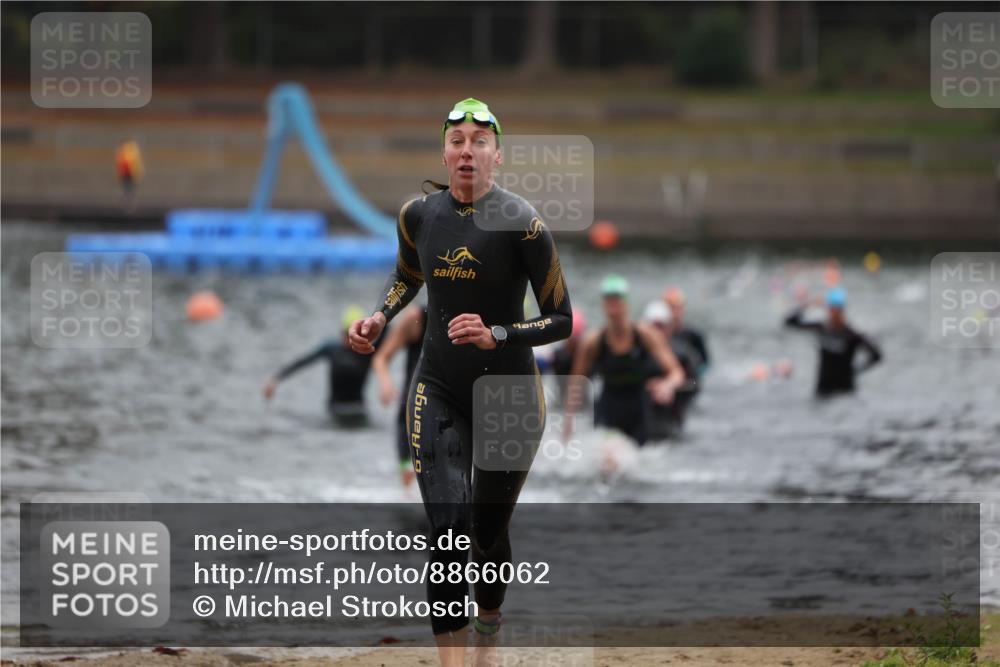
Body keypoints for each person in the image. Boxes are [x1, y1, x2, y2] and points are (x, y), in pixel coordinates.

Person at [347, 98, 572, 667]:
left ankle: (488, 629)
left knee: (487, 535)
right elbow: (407, 274)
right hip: (439, 385)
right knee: (447, 533)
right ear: (444, 154)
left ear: (497, 155)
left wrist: (499, 333)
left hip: (509, 395)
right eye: (457, 141)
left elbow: (561, 319)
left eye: (479, 141)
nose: (467, 151)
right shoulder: (418, 216)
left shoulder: (524, 224)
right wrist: (380, 316)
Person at [564, 275, 685, 446]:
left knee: (638, 456)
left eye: (617, 299)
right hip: (608, 410)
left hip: (638, 410)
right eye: (609, 300)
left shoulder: (646, 335)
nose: (613, 305)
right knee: (610, 455)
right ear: (603, 304)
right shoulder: (593, 342)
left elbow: (676, 372)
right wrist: (568, 423)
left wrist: (668, 385)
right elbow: (576, 383)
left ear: (626, 302)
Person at [263, 305, 376, 427]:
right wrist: (276, 379)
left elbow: (385, 346)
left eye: (357, 335)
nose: (350, 339)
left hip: (359, 411)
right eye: (347, 334)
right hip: (335, 411)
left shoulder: (368, 351)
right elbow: (303, 361)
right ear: (342, 331)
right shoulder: (332, 348)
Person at [784, 286, 882, 397]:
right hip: (823, 390)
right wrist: (807, 304)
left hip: (845, 391)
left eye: (837, 309)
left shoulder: (852, 334)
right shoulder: (821, 328)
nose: (834, 312)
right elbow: (789, 323)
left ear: (842, 310)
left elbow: (876, 355)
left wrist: (856, 370)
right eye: (832, 308)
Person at [371, 304, 427, 491]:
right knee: (410, 488)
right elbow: (381, 358)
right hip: (411, 413)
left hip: (452, 412)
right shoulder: (417, 317)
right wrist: (385, 382)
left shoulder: (475, 318)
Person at [641, 300, 699, 439]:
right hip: (642, 420)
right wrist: (647, 387)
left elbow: (694, 384)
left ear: (669, 328)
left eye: (661, 326)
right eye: (653, 326)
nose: (657, 332)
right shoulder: (636, 353)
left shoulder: (682, 354)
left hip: (672, 418)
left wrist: (671, 388)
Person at [664, 287, 709, 379]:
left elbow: (706, 363)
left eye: (677, 307)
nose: (674, 312)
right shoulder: (656, 335)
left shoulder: (694, 335)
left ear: (683, 308)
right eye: (670, 307)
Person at [115, 139, 144, 210]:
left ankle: (129, 203)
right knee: (128, 190)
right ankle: (127, 203)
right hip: (127, 174)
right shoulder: (126, 152)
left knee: (130, 190)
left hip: (130, 174)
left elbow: (135, 164)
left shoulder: (130, 152)